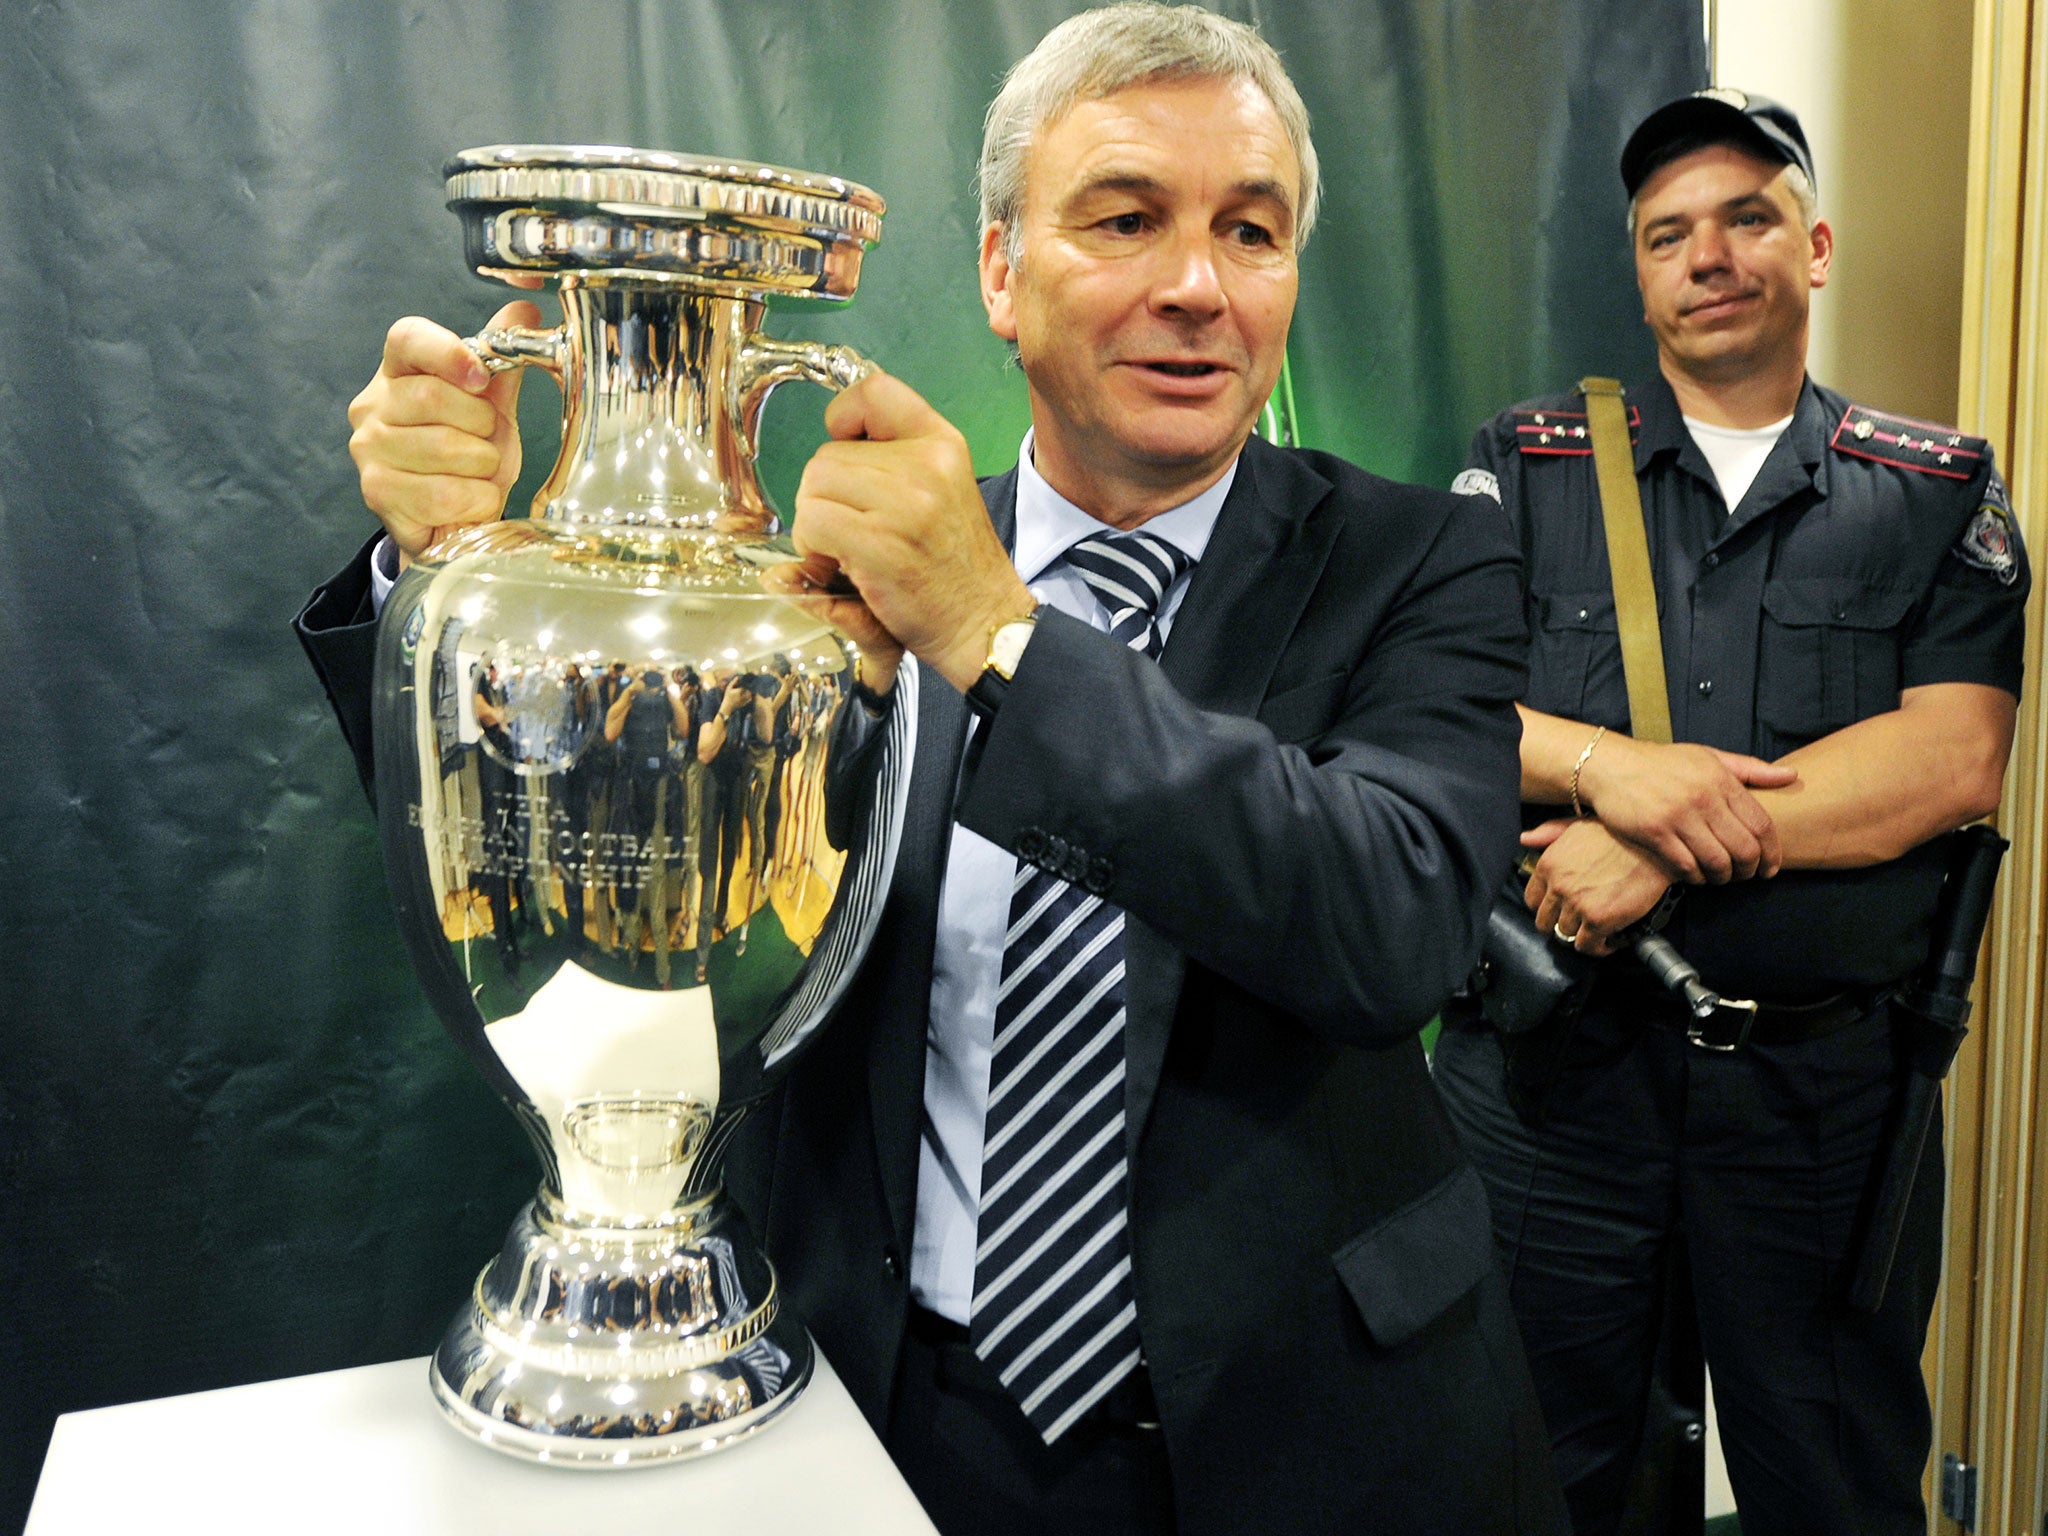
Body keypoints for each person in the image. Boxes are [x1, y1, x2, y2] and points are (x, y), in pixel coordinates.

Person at [299, 6, 1568, 1532]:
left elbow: (1397, 927)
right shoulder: (830, 598)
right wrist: (433, 565)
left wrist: (1005, 636)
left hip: (1316, 1434)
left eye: (1252, 230)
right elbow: (566, 883)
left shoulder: (1422, 557)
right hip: (895, 1406)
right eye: (1124, 218)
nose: (1196, 287)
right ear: (997, 273)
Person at [1430, 89, 2029, 1536]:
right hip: (1555, 1091)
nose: (1709, 255)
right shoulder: (1525, 466)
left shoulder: (1933, 490)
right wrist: (1601, 765)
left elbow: (1951, 761)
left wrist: (1646, 835)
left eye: (1748, 217)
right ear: (1637, 275)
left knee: (1833, 1486)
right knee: (1536, 1479)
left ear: (1813, 247)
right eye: (1668, 233)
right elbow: (1437, 714)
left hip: (1821, 1106)